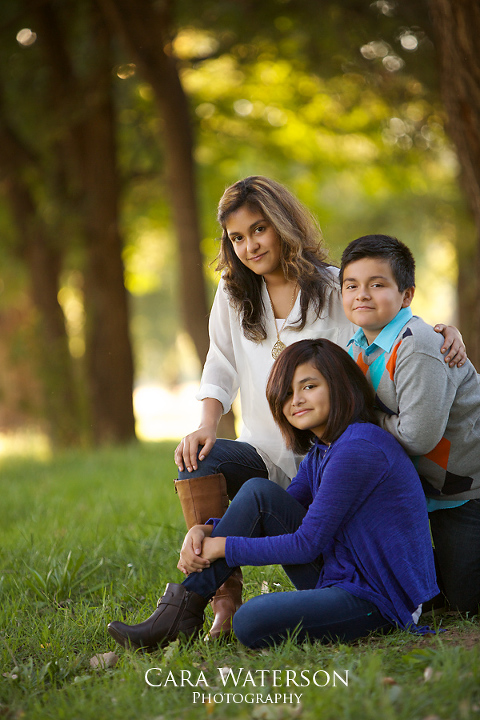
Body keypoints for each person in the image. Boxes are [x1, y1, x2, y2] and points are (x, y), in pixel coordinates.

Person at [171, 177, 464, 637]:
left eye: (259, 229)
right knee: (213, 467)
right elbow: (220, 362)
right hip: (267, 449)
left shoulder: (333, 287)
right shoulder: (232, 293)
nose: (250, 245)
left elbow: (385, 319)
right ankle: (202, 603)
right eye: (237, 238)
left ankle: (226, 596)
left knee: (274, 600)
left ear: (283, 225)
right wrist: (208, 431)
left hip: (328, 455)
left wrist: (441, 332)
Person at [108, 339, 439, 651]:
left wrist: (221, 546)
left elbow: (306, 543)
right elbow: (271, 509)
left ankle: (178, 615)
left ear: (339, 385)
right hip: (342, 574)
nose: (295, 400)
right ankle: (181, 612)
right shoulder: (325, 449)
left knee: (251, 620)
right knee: (258, 493)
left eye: (309, 386)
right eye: (287, 392)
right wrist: (207, 529)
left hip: (380, 599)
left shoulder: (358, 448)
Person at [340, 234, 480, 614]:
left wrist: (364, 421)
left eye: (377, 284)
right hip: (415, 491)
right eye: (351, 285)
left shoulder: (417, 344)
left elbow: (417, 436)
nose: (362, 295)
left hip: (464, 490)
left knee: (462, 604)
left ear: (406, 295)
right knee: (418, 594)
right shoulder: (356, 347)